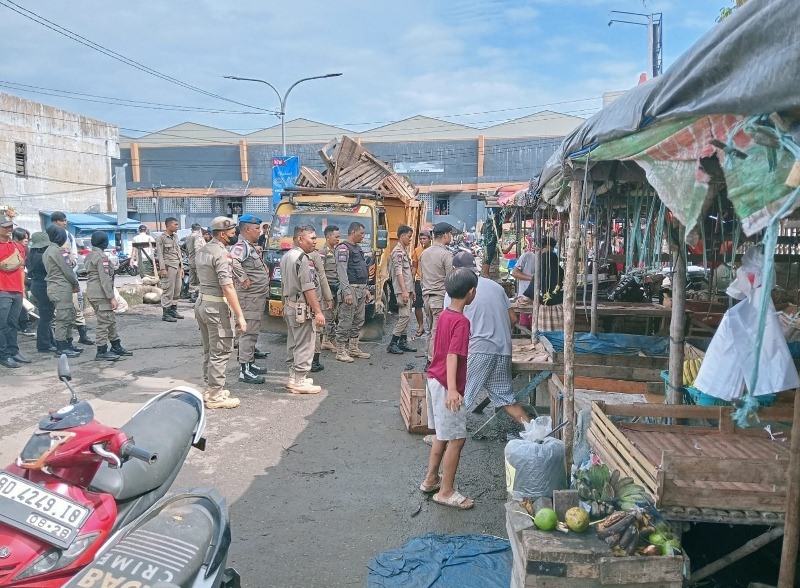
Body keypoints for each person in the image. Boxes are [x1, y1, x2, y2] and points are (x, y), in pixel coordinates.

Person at [444, 251, 531, 427]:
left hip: (479, 350)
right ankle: (538, 435)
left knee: (459, 395)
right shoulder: (496, 287)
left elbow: (452, 325)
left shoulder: (454, 292)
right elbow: (513, 319)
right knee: (506, 399)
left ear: (454, 270)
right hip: (502, 350)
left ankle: (442, 436)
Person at [418, 267, 478, 510]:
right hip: (445, 384)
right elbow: (453, 354)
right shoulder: (461, 322)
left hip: (435, 378)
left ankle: (431, 479)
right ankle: (446, 491)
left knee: (442, 436)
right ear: (471, 293)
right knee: (456, 439)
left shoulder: (444, 315)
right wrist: (453, 389)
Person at [195, 216, 247, 409]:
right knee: (221, 351)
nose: (234, 236)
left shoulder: (204, 250)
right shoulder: (221, 254)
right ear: (223, 234)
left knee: (210, 350)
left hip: (202, 303)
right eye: (232, 233)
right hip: (216, 307)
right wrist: (240, 315)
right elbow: (227, 286)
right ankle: (216, 395)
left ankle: (210, 389)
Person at [280, 224, 326, 394]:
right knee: (305, 344)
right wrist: (318, 311)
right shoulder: (302, 259)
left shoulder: (287, 256)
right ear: (300, 239)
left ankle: (293, 377)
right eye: (312, 238)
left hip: (290, 306)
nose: (315, 241)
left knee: (293, 343)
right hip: (301, 309)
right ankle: (300, 381)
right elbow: (308, 287)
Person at [230, 214, 270, 385]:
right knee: (247, 333)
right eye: (257, 229)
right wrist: (243, 278)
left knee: (252, 332)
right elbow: (232, 261)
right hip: (250, 298)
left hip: (255, 297)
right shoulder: (241, 246)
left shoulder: (249, 246)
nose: (259, 232)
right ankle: (244, 371)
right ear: (247, 230)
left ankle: (250, 363)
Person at [84, 231, 133, 361]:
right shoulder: (101, 257)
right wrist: (112, 297)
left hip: (93, 292)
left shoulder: (89, 255)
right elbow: (104, 279)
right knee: (104, 322)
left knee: (109, 320)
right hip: (101, 294)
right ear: (104, 243)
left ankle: (116, 345)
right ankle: (101, 350)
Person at [50, 211, 94, 345]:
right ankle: (60, 343)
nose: (65, 223)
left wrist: (72, 263)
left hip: (70, 279)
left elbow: (72, 255)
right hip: (59, 283)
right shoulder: (50, 241)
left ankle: (81, 335)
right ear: (55, 221)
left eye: (65, 220)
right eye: (62, 220)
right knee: (60, 315)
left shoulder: (68, 236)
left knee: (75, 309)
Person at [419, 222, 455, 369]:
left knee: (430, 330)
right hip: (439, 297)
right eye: (451, 234)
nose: (451, 237)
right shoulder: (446, 255)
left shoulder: (424, 253)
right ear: (445, 235)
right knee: (437, 331)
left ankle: (429, 358)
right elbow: (450, 279)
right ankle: (432, 361)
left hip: (426, 297)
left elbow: (421, 278)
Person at [334, 222, 372, 362]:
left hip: (360, 289)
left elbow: (362, 269)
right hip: (351, 289)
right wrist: (347, 292)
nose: (363, 236)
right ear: (353, 233)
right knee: (345, 320)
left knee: (359, 319)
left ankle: (353, 348)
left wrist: (366, 289)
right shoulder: (343, 248)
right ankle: (340, 350)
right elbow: (342, 272)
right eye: (361, 233)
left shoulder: (358, 248)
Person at [43, 225, 82, 358]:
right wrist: (75, 283)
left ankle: (67, 344)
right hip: (61, 287)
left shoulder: (49, 250)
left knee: (68, 315)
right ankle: (61, 347)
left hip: (58, 287)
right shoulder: (56, 251)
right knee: (63, 318)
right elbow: (67, 270)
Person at [0, 216, 29, 367]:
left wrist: (22, 289)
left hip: (16, 290)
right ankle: (4, 355)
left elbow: (21, 269)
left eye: (11, 225)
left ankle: (14, 351)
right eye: (5, 226)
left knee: (13, 324)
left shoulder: (17, 247)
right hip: (2, 290)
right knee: (2, 324)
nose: (9, 228)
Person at [523, 237, 564, 332]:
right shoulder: (558, 269)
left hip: (544, 310)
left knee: (544, 338)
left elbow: (528, 294)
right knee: (559, 338)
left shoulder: (541, 264)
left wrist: (525, 298)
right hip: (559, 308)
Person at [387, 224, 417, 354]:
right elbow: (399, 273)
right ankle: (393, 342)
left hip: (408, 289)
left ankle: (403, 342)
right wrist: (404, 291)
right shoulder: (398, 252)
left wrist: (412, 290)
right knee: (404, 316)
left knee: (407, 316)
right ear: (402, 236)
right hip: (402, 290)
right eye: (409, 237)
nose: (410, 239)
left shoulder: (403, 250)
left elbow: (408, 273)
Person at [27, 232, 57, 353]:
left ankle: (49, 341)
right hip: (43, 286)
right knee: (46, 317)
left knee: (46, 316)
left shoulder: (32, 255)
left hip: (36, 286)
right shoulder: (43, 256)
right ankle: (44, 344)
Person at [309, 245, 333, 372]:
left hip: (298, 300)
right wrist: (328, 297)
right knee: (317, 329)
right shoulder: (315, 255)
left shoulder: (291, 254)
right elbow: (322, 277)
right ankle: (315, 361)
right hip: (315, 297)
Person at [156, 217, 184, 322]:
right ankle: (166, 313)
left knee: (177, 289)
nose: (177, 226)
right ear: (168, 225)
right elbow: (160, 254)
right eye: (175, 224)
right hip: (169, 267)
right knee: (168, 289)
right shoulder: (161, 238)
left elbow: (178, 252)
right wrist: (163, 269)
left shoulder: (175, 237)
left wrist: (181, 267)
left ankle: (173, 309)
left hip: (177, 266)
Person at [318, 225, 340, 352]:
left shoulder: (337, 251)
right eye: (336, 237)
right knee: (328, 315)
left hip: (336, 288)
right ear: (328, 237)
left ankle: (328, 339)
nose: (338, 239)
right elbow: (321, 273)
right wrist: (325, 293)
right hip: (328, 289)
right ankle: (328, 340)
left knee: (333, 314)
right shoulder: (323, 252)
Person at [411, 228, 431, 338]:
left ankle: (431, 326)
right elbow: (414, 267)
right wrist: (411, 281)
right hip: (419, 281)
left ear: (430, 239)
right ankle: (421, 326)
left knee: (430, 305)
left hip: (430, 281)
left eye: (424, 239)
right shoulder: (417, 251)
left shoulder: (433, 250)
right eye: (421, 239)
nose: (422, 241)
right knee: (418, 305)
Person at [12, 227, 33, 337]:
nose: (26, 240)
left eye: (27, 238)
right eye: (24, 238)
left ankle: (24, 324)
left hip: (24, 278)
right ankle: (23, 325)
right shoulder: (14, 247)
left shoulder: (25, 249)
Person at [185, 223, 205, 302]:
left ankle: (192, 294)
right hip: (198, 261)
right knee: (201, 279)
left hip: (191, 260)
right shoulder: (198, 237)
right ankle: (199, 296)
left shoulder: (188, 237)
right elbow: (199, 249)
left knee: (192, 279)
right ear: (200, 229)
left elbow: (186, 250)